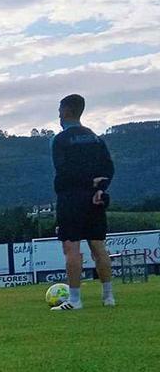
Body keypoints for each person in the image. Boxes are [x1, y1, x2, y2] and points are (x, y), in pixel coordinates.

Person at [51, 94, 116, 311]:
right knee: (99, 247)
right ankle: (108, 297)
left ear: (67, 111)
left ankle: (75, 300)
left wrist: (88, 182)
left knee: (72, 248)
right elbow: (108, 169)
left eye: (60, 110)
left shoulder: (59, 140)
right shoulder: (97, 138)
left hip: (71, 199)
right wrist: (99, 188)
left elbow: (64, 171)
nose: (59, 115)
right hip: (95, 199)